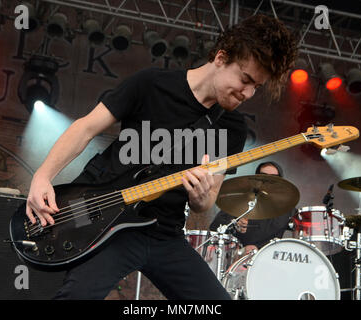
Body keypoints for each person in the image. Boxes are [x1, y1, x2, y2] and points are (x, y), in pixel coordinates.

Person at [25, 15, 297, 299]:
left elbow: (206, 202)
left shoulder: (232, 127)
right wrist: (42, 176)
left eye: (257, 87)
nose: (249, 93)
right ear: (221, 57)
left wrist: (200, 195)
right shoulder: (151, 84)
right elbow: (85, 129)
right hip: (109, 223)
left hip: (164, 234)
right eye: (245, 80)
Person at [210, 161, 297, 254]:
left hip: (271, 258)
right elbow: (215, 227)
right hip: (239, 258)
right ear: (257, 179)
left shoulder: (287, 207)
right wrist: (235, 225)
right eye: (263, 176)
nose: (267, 180)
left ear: (280, 182)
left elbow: (303, 227)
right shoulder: (240, 201)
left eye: (273, 178)